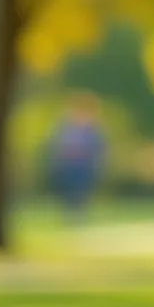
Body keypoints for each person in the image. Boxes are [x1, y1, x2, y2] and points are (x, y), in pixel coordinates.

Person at [47, 93, 106, 221]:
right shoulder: (65, 126)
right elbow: (56, 144)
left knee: (81, 190)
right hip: (68, 164)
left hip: (84, 164)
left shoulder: (92, 128)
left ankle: (79, 214)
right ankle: (69, 213)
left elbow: (99, 147)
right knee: (68, 190)